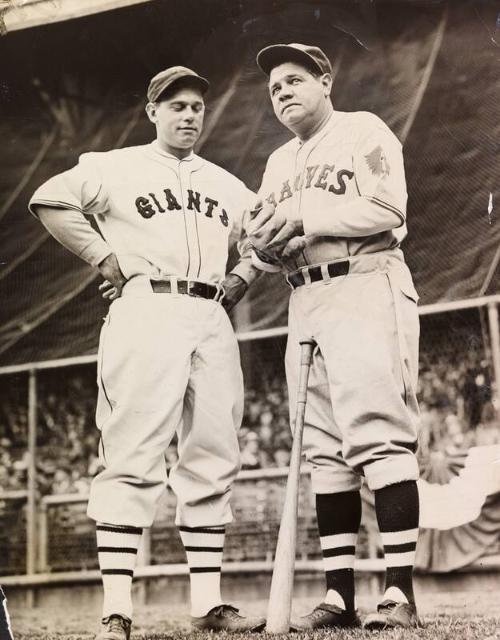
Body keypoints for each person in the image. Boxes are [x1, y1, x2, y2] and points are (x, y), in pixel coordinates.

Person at [29, 65, 265, 639]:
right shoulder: (116, 166)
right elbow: (48, 198)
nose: (189, 115)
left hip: (211, 313)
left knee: (212, 453)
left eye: (197, 107)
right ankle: (117, 609)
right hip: (146, 307)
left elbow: (269, 233)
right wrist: (102, 258)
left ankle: (207, 605)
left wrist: (243, 275)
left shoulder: (226, 183)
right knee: (132, 453)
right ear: (153, 111)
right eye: (177, 105)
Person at [250, 43, 421, 630]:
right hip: (305, 297)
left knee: (377, 432)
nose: (284, 93)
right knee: (323, 448)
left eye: (295, 79)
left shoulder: (362, 130)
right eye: (275, 88)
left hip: (365, 282)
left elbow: (387, 207)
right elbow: (270, 246)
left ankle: (399, 593)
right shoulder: (276, 163)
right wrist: (266, 250)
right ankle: (339, 595)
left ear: (326, 81)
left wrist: (304, 218)